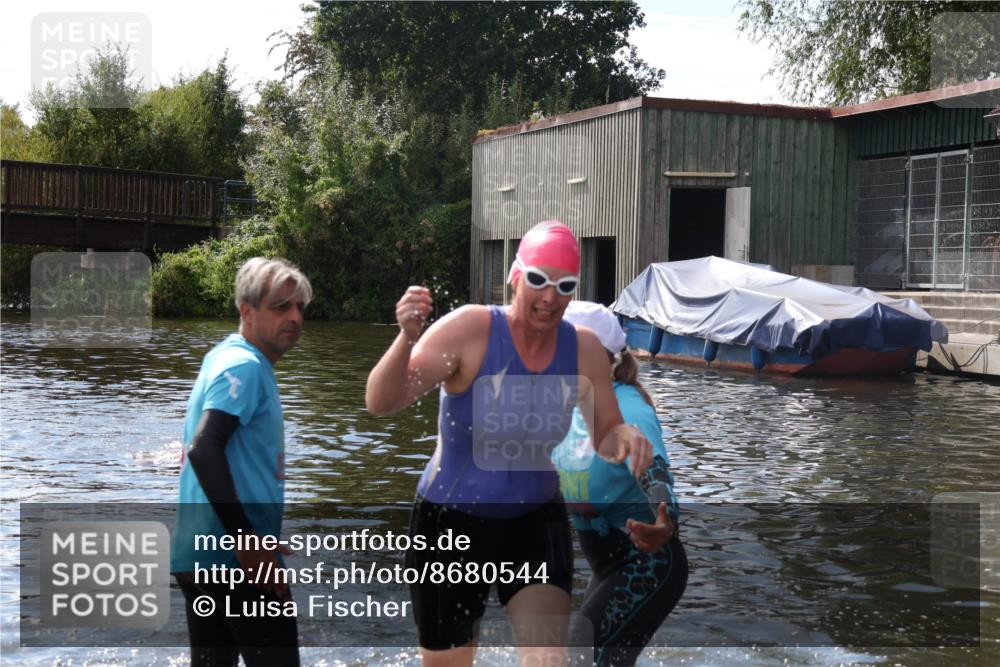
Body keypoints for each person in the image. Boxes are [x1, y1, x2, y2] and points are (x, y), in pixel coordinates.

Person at [366, 220, 653, 667]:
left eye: (565, 286)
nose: (550, 296)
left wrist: (626, 437)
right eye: (538, 280)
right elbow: (381, 402)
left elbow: (606, 435)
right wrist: (406, 338)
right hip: (450, 522)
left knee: (548, 661)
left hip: (535, 521)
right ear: (515, 277)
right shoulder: (470, 330)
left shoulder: (583, 349)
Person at [170, 257, 312, 667]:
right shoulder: (245, 366)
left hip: (198, 555)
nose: (294, 317)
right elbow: (204, 448)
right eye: (281, 306)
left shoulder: (225, 356)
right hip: (236, 560)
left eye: (299, 306)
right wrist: (247, 541)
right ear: (246, 311)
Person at [552, 301, 688, 667]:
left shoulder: (627, 408)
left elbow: (654, 469)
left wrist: (665, 520)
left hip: (648, 563)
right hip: (608, 567)